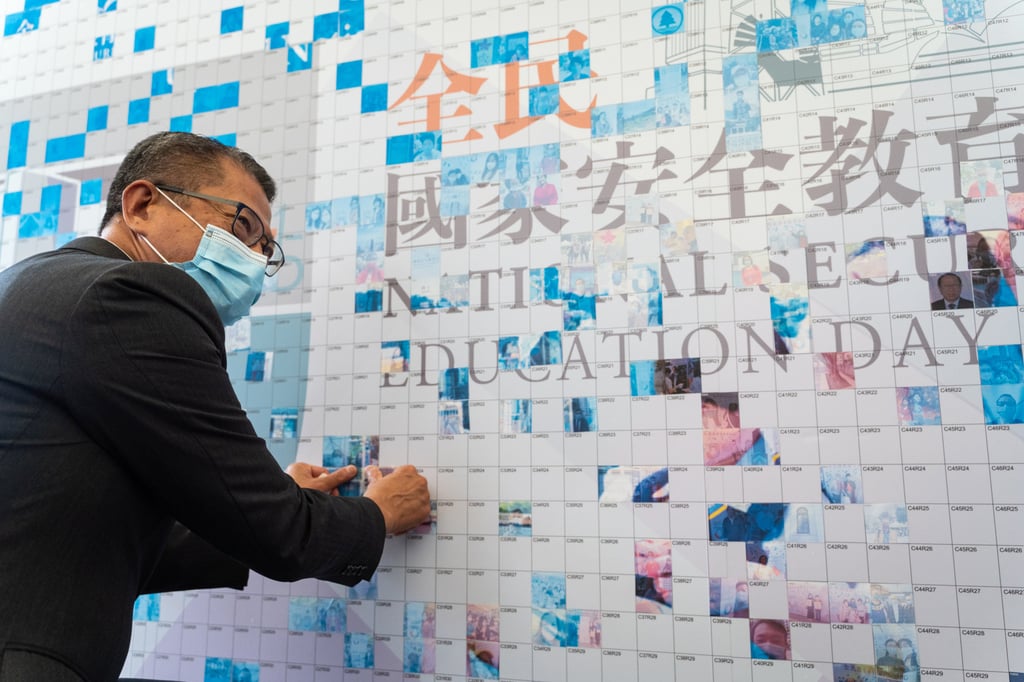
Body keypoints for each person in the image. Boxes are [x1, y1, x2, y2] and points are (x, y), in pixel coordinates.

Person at [0, 132, 431, 681]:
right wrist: (378, 515)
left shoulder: (26, 283)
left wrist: (257, 510)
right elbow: (279, 532)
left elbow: (77, 534)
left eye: (264, 249)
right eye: (243, 226)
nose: (253, 259)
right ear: (142, 205)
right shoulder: (130, 298)